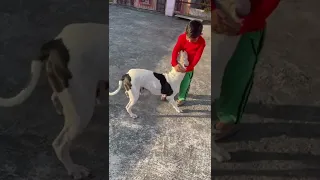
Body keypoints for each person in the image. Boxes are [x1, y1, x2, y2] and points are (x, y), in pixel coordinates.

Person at [211, 0, 281, 140]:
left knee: (237, 77)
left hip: (248, 26)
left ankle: (227, 119)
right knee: (213, 69)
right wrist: (211, 8)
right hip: (217, 17)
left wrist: (246, 24)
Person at [166, 20, 206, 106]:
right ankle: (169, 92)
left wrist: (189, 68)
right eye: (189, 38)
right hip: (178, 63)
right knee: (172, 79)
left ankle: (181, 97)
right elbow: (176, 49)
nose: (191, 41)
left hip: (189, 67)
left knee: (185, 83)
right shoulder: (182, 37)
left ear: (200, 35)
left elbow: (197, 57)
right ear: (186, 32)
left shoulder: (202, 43)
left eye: (194, 39)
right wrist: (174, 63)